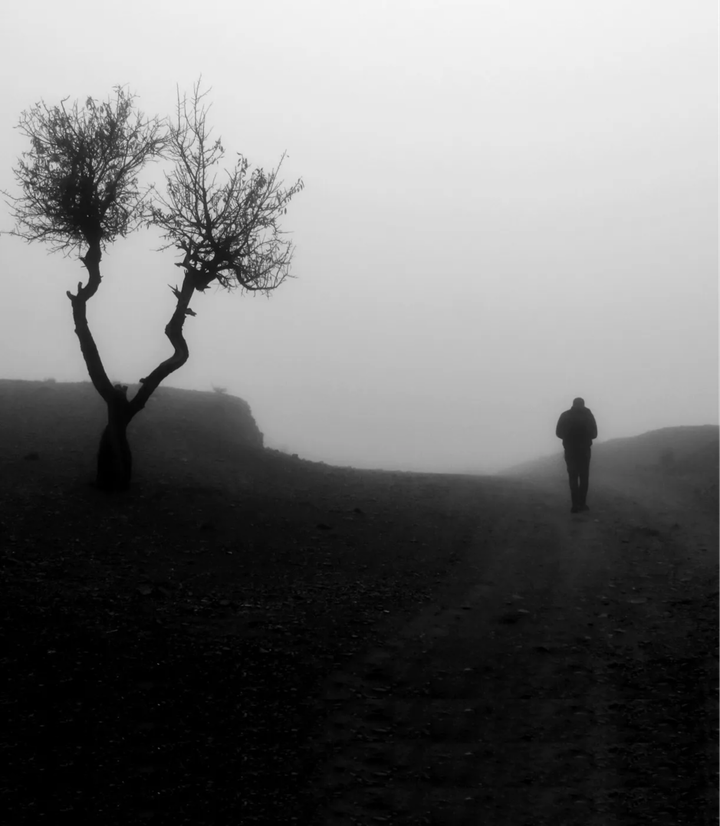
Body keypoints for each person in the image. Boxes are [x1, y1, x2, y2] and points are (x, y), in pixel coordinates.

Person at [556, 397, 598, 513]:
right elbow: (594, 434)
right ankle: (582, 504)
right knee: (584, 476)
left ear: (573, 404)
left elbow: (558, 433)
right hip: (584, 450)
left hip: (570, 450)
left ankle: (575, 505)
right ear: (583, 404)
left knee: (573, 476)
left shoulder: (565, 415)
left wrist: (568, 438)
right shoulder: (588, 415)